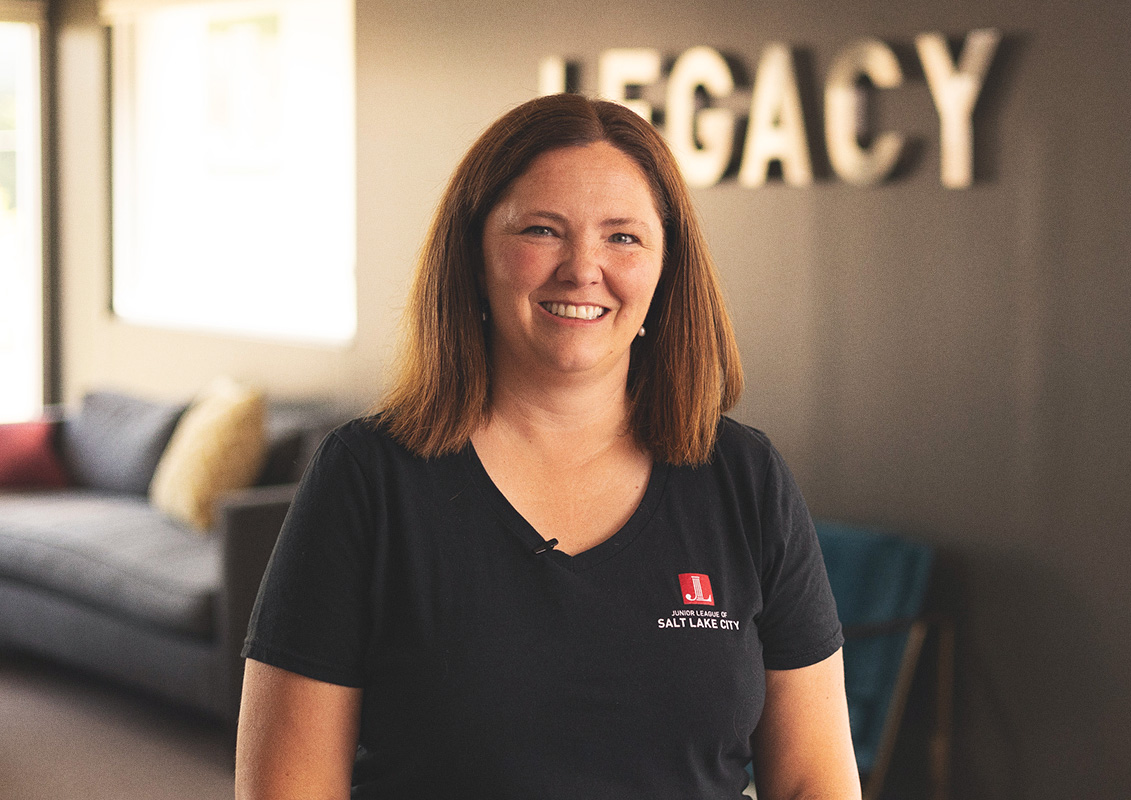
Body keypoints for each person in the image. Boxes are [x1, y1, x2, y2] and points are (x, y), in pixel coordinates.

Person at [235, 93, 860, 800]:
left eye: (623, 237)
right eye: (541, 230)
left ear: (666, 268)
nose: (582, 268)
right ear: (473, 254)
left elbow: (815, 781)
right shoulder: (367, 480)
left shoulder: (745, 481)